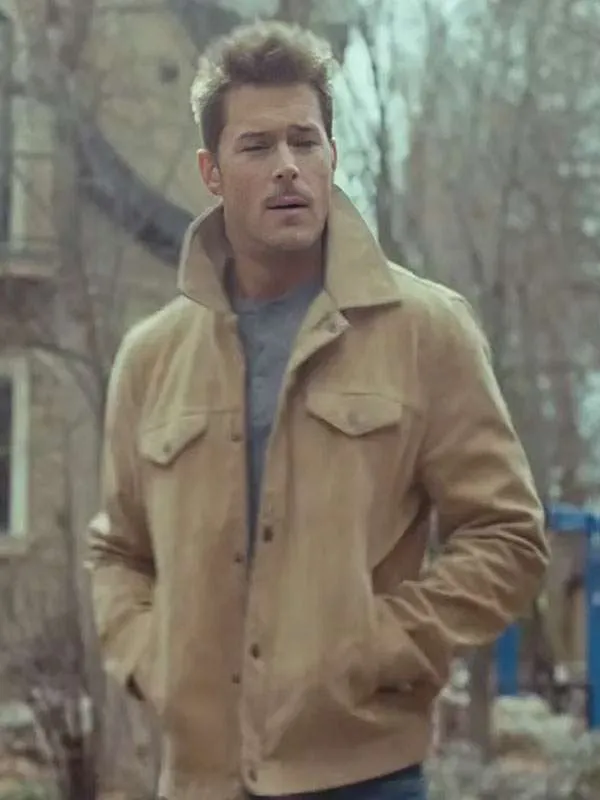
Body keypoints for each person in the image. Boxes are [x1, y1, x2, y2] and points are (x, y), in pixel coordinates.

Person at [87, 20, 550, 800]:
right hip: (198, 779)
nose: (287, 167)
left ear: (333, 154)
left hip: (363, 773)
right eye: (257, 146)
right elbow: (117, 552)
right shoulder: (152, 357)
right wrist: (153, 660)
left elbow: (507, 535)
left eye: (305, 141)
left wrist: (383, 646)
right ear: (210, 171)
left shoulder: (425, 330)